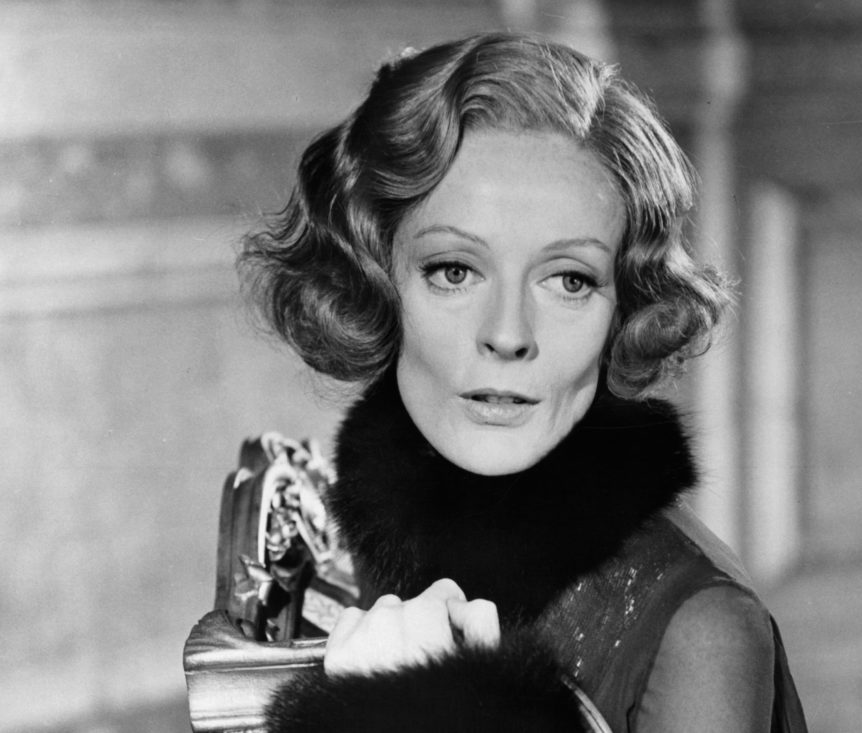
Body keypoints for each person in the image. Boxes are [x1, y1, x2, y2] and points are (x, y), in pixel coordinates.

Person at [238, 32, 806, 733]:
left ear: (623, 308)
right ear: (378, 280)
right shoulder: (366, 545)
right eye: (454, 271)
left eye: (569, 280)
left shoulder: (702, 633)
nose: (507, 334)